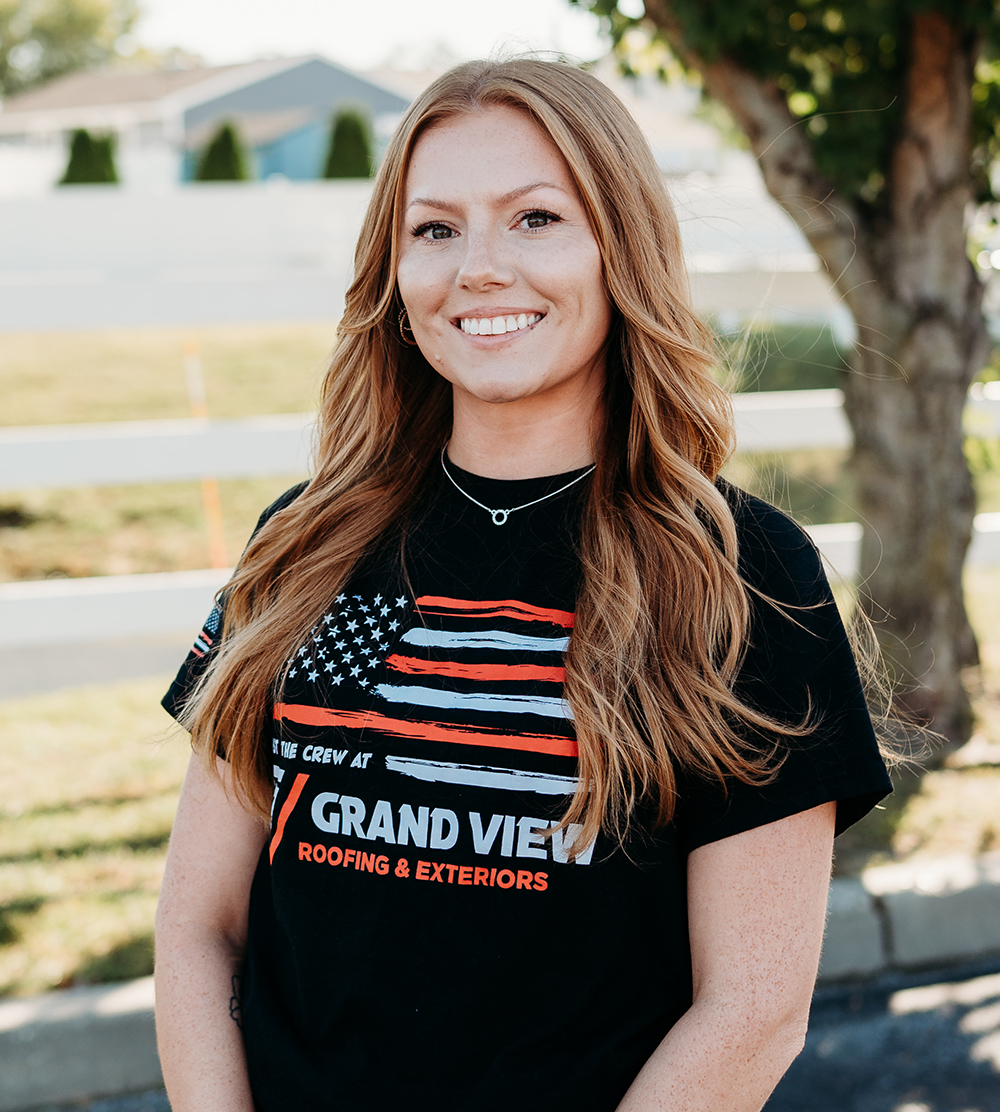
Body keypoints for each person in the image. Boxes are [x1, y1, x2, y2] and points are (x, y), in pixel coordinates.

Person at [154, 58, 892, 1112]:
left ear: (619, 246)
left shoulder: (744, 572)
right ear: (394, 271)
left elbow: (753, 1008)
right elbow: (198, 927)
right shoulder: (298, 543)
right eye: (436, 229)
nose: (480, 268)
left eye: (536, 218)